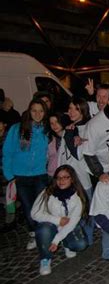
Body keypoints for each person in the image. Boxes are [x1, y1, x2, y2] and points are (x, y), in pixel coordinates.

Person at [3, 98, 49, 250]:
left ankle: (43, 234)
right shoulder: (17, 129)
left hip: (40, 175)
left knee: (41, 208)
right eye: (34, 110)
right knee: (28, 209)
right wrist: (10, 177)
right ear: (29, 111)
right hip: (20, 177)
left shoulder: (46, 130)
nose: (37, 114)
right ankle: (33, 234)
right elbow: (7, 153)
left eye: (41, 111)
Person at [31, 165, 89, 275]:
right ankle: (45, 258)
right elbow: (34, 213)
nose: (61, 180)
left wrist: (56, 240)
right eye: (58, 177)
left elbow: (72, 222)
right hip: (50, 225)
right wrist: (57, 220)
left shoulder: (77, 197)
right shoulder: (47, 192)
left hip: (67, 226)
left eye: (65, 177)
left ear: (72, 179)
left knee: (80, 244)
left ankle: (66, 244)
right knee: (43, 229)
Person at [59, 97, 94, 244]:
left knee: (86, 211)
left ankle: (89, 239)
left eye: (76, 108)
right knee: (70, 210)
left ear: (83, 110)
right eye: (70, 108)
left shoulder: (87, 128)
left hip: (82, 177)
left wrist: (71, 136)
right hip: (67, 178)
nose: (71, 111)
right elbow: (62, 154)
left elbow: (78, 154)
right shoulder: (70, 129)